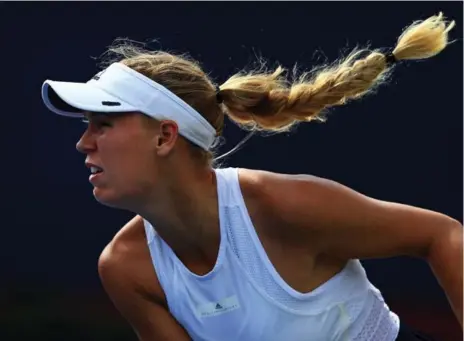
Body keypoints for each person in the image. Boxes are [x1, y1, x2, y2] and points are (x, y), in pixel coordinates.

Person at [41, 12, 461, 341]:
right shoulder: (126, 269)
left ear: (164, 136)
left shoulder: (281, 208)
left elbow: (442, 235)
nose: (84, 143)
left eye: (103, 123)